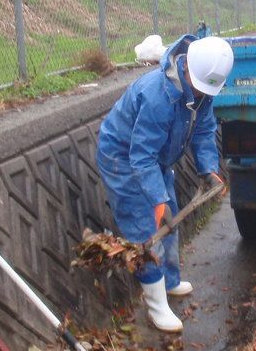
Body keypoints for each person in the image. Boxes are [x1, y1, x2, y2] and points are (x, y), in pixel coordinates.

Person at [96, 34, 233, 333]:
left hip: (155, 160)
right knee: (147, 229)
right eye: (199, 87)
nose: (201, 94)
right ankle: (156, 306)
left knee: (169, 221)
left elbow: (204, 129)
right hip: (124, 158)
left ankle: (168, 283)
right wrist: (157, 200)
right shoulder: (157, 95)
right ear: (187, 69)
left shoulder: (201, 90)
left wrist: (207, 169)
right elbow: (140, 156)